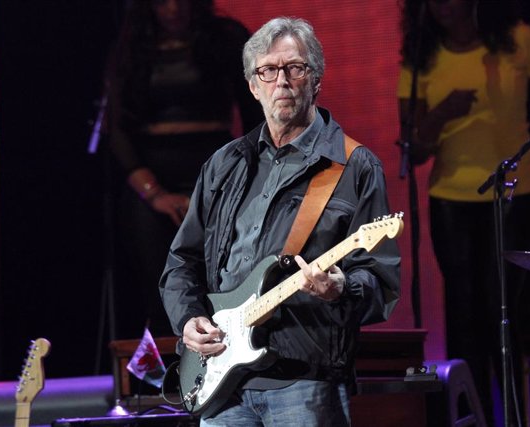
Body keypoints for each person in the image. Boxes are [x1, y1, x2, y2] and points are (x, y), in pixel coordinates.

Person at [160, 16, 401, 426]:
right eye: (268, 71)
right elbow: (182, 262)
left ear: (316, 80)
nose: (282, 81)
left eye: (295, 68)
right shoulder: (224, 164)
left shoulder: (353, 167)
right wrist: (187, 320)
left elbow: (381, 282)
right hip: (222, 380)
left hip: (305, 381)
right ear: (253, 86)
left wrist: (340, 288)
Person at [397, 0, 530, 425]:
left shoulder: (518, 40)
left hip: (515, 193)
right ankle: (472, 418)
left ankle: (514, 417)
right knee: (462, 316)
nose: (442, 7)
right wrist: (443, 112)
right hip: (451, 198)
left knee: (504, 310)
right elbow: (414, 147)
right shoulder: (423, 54)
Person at [105, 0, 263, 339]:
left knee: (223, 283)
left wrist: (240, 177)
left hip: (217, 170)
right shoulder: (132, 48)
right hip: (151, 178)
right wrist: (155, 193)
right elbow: (117, 128)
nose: (173, 8)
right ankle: (171, 381)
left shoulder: (226, 38)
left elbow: (255, 114)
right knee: (160, 287)